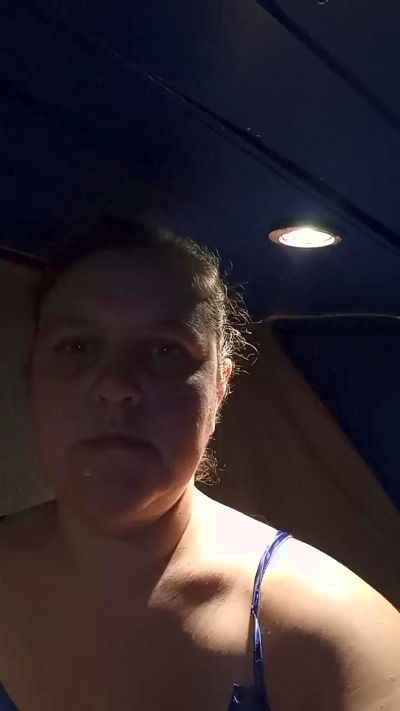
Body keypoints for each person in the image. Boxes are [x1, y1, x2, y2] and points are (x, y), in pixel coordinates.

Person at [0, 216, 398, 710]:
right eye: (77, 346)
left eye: (165, 350)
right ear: (32, 375)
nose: (116, 385)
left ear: (220, 388)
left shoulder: (333, 633)